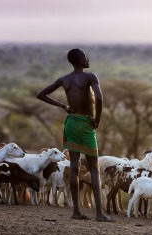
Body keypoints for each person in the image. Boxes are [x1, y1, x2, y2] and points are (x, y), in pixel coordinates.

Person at [37, 48, 112, 222]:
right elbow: (99, 99)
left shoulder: (64, 79)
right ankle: (99, 214)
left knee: (74, 166)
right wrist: (97, 120)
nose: (88, 59)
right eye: (86, 57)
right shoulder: (90, 77)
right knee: (94, 168)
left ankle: (76, 211)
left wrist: (63, 106)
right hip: (86, 124)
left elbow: (41, 94)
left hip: (71, 123)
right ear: (79, 59)